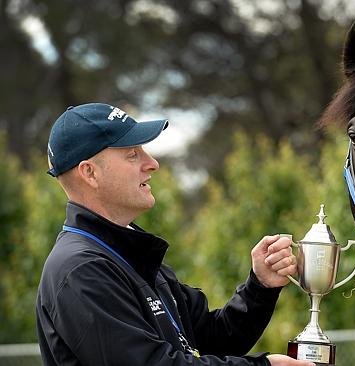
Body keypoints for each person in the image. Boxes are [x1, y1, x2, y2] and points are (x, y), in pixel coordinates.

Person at [36, 103, 315, 366]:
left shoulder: (128, 253)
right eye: (132, 154)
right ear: (90, 173)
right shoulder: (81, 270)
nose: (152, 163)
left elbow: (214, 339)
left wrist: (259, 288)